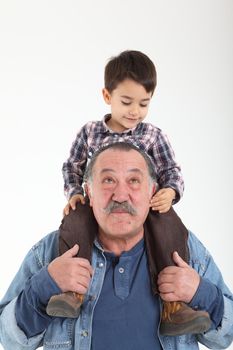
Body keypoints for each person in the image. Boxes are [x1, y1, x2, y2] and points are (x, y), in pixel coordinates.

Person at [0, 142, 233, 350]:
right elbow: (8, 340)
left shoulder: (185, 249)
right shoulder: (51, 251)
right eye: (108, 180)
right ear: (89, 191)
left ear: (152, 191)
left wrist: (202, 293)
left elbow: (225, 338)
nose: (121, 195)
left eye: (133, 181)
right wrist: (44, 286)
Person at [46, 50, 207, 336]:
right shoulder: (90, 132)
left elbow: (172, 171)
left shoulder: (153, 135)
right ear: (107, 96)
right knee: (74, 223)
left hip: (146, 207)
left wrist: (169, 191)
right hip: (97, 205)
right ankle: (72, 293)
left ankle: (175, 306)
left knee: (170, 227)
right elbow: (72, 166)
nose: (135, 111)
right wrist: (73, 193)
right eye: (127, 102)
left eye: (144, 104)